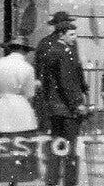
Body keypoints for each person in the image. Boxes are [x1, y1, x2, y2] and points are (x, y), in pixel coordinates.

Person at [0, 36, 40, 186]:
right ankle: (14, 180)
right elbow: (29, 93)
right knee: (18, 145)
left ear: (10, 48)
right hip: (20, 109)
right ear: (24, 50)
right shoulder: (28, 68)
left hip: (2, 107)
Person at [38, 17, 88, 186]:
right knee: (70, 148)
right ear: (62, 34)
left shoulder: (51, 50)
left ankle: (51, 180)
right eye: (72, 34)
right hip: (67, 109)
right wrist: (77, 104)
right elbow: (67, 83)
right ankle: (69, 182)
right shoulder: (64, 53)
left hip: (54, 108)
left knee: (56, 145)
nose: (75, 38)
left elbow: (45, 81)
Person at [34, 11, 76, 133]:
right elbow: (39, 66)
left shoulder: (71, 42)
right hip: (52, 90)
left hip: (58, 90)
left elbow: (75, 66)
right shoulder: (46, 43)